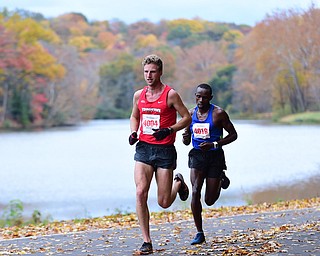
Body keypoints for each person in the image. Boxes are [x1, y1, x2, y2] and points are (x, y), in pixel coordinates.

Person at [129, 54, 192, 255]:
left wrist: (170, 130)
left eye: (153, 71)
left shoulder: (170, 94)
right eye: (146, 71)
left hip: (165, 150)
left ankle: (178, 183)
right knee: (140, 192)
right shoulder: (139, 95)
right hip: (144, 149)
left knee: (164, 202)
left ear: (160, 72)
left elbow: (187, 118)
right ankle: (146, 241)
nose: (149, 75)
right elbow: (134, 115)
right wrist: (133, 131)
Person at [182, 83, 238, 245]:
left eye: (204, 97)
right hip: (197, 156)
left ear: (210, 98)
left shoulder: (218, 114)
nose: (200, 100)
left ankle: (220, 177)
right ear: (195, 96)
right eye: (198, 96)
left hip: (214, 156)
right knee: (195, 191)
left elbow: (233, 135)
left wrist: (215, 144)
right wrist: (185, 138)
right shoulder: (190, 114)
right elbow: (186, 139)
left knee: (209, 200)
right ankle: (199, 233)